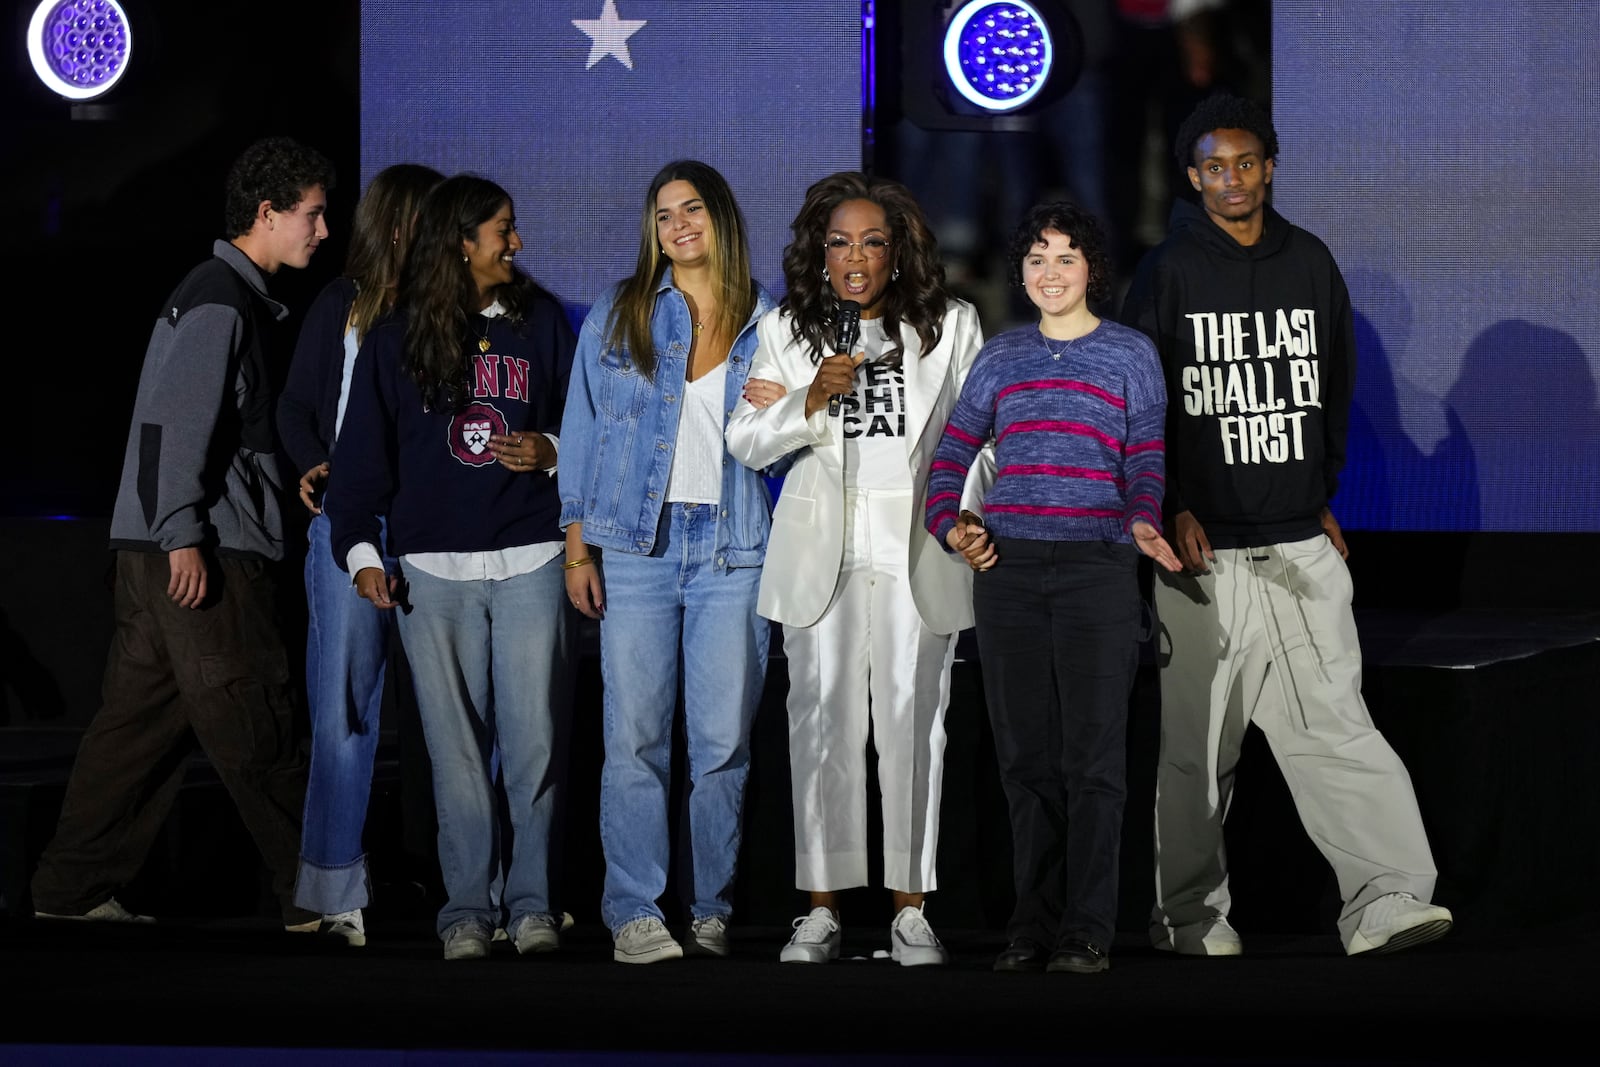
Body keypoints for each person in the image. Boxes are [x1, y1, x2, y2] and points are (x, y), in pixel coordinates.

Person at [1120, 92, 1454, 957]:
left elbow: (1334, 384)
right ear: (1194, 179)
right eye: (1214, 166)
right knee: (1197, 752)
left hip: (1300, 542)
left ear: (1269, 166)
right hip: (1203, 557)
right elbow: (1137, 401)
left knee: (1338, 726)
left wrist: (1317, 493)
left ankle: (1386, 899)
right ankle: (1188, 919)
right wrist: (1167, 501)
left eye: (1246, 162)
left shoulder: (1310, 260)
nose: (1231, 178)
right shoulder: (1167, 272)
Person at [30, 137, 336, 930]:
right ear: (265, 215)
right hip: (200, 552)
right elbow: (171, 426)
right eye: (312, 214)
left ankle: (67, 893)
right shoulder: (219, 297)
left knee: (135, 732)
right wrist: (183, 536)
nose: (324, 230)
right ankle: (319, 900)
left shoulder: (223, 295)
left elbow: (211, 431)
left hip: (161, 547)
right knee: (256, 719)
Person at [726, 171, 985, 967]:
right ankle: (822, 909)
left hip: (916, 544)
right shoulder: (788, 330)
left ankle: (911, 908)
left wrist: (972, 517)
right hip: (822, 550)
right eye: (839, 242)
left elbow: (979, 436)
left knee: (915, 726)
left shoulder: (949, 326)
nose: (855, 257)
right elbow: (745, 439)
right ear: (820, 252)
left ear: (898, 250)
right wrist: (808, 398)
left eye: (873, 241)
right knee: (821, 724)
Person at [323, 173, 577, 961]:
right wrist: (364, 555)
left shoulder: (539, 323)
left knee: (534, 743)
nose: (517, 241)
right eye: (503, 227)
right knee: (455, 754)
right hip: (432, 572)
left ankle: (533, 904)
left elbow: (587, 427)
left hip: (531, 555)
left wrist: (552, 449)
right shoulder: (395, 339)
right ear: (461, 242)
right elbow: (358, 467)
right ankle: (467, 908)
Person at [926, 202, 1179, 975]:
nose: (1050, 272)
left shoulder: (1132, 354)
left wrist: (1141, 520)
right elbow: (950, 456)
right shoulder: (1001, 358)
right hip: (1010, 573)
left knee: (1095, 762)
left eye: (1066, 257)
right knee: (1025, 761)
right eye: (1036, 258)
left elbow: (1146, 458)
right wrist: (951, 524)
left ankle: (1087, 929)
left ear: (1092, 269)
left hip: (1100, 572)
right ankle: (1029, 925)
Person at [559, 160, 779, 964]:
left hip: (733, 548)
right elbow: (580, 428)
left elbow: (789, 440)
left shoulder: (769, 316)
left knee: (722, 742)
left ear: (721, 216)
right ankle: (635, 911)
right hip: (636, 547)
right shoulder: (622, 313)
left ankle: (711, 907)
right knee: (635, 738)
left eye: (692, 209)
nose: (678, 224)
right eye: (663, 215)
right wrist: (576, 545)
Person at [277, 162, 444, 946]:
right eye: (429, 219)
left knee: (461, 712)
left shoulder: (455, 312)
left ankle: (500, 888)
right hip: (349, 525)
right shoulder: (340, 304)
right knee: (344, 706)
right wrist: (315, 461)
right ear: (397, 224)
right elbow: (296, 406)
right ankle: (330, 884)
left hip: (438, 528)